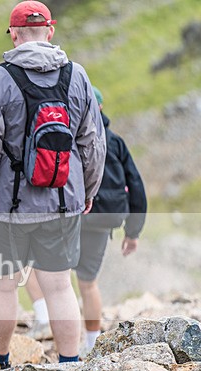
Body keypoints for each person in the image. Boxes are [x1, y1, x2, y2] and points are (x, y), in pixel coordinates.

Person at [0, 0, 106, 371]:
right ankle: (70, 363)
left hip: (6, 209)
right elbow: (92, 143)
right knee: (59, 286)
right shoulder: (78, 76)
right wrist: (86, 192)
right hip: (61, 202)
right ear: (50, 31)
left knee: (3, 286)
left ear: (14, 33)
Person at [25, 86, 147, 354]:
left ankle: (45, 317)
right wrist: (133, 231)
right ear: (100, 108)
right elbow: (135, 185)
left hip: (72, 216)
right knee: (88, 283)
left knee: (38, 267)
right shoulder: (116, 142)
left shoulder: (65, 137)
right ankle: (91, 346)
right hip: (104, 220)